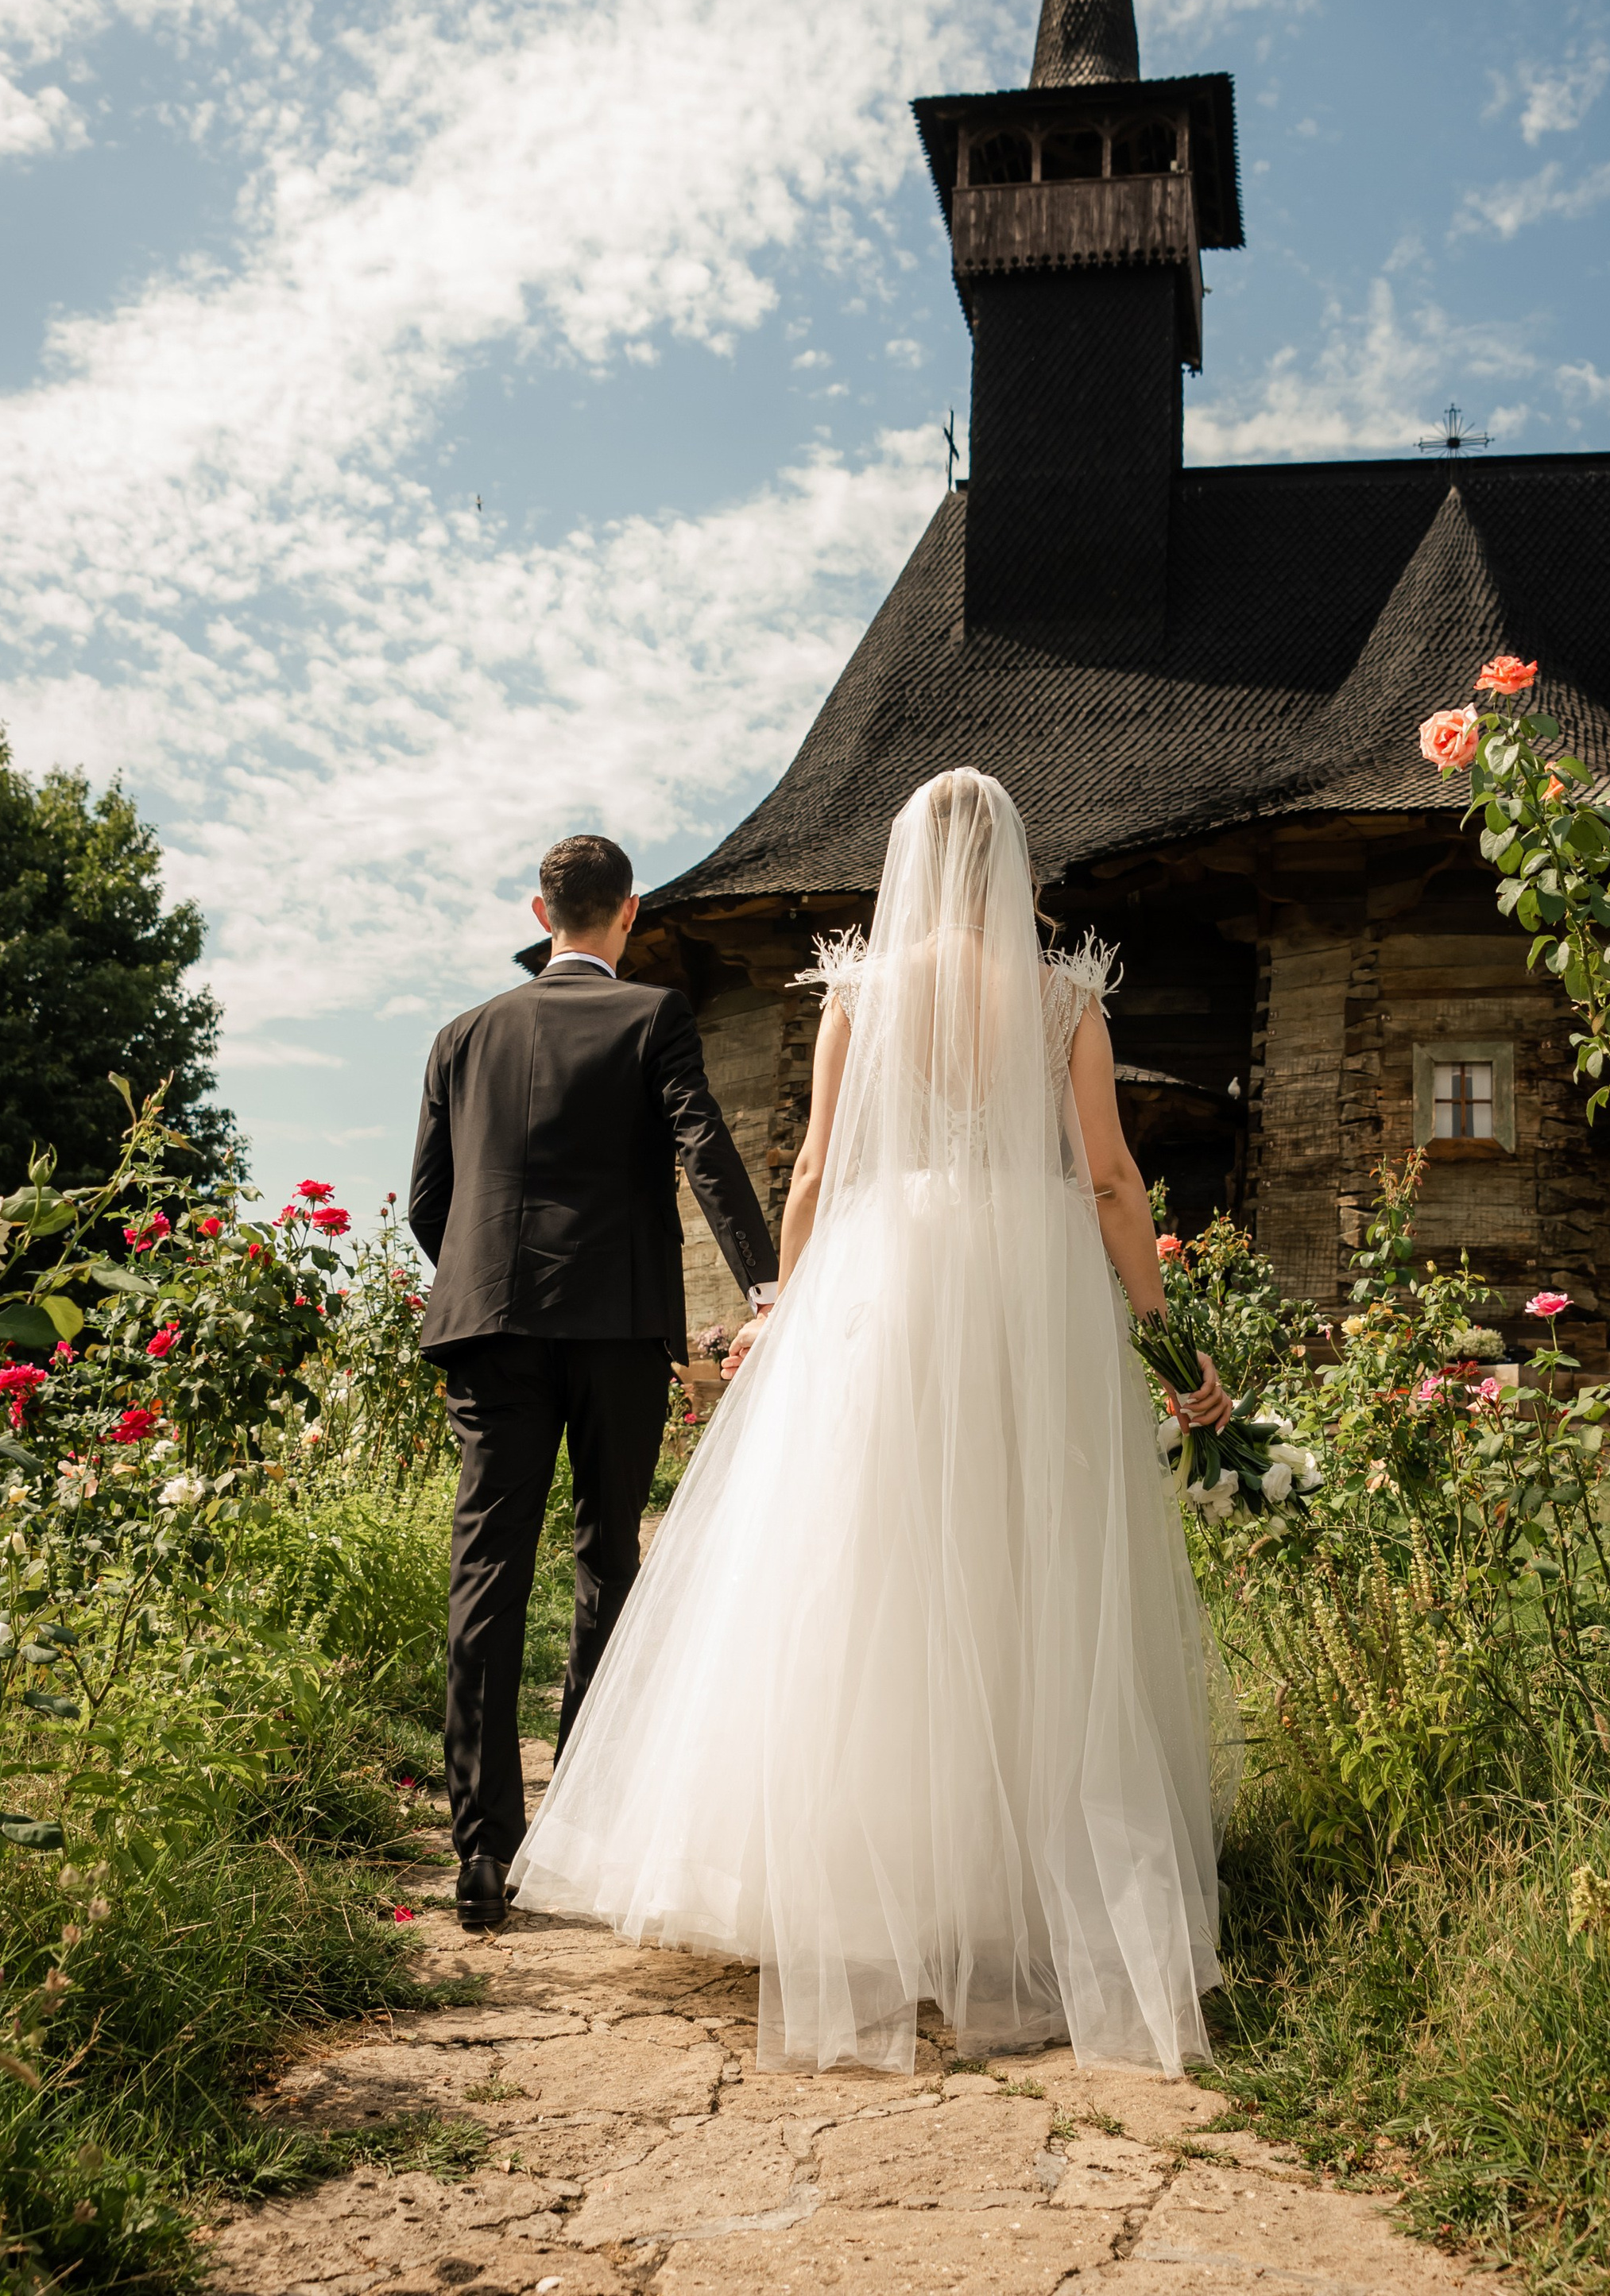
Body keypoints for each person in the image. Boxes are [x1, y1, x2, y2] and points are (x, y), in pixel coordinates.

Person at [509, 771, 1238, 2076]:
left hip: (886, 1276)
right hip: (1027, 1287)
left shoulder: (861, 992)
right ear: (1010, 860)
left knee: (868, 1558)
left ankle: (866, 1884)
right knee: (1029, 1563)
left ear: (908, 859)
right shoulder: (1065, 995)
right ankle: (1008, 1891)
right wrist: (1166, 1339)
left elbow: (817, 1169)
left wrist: (781, 1303)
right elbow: (1116, 1180)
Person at [409, 831, 778, 1934]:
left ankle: (481, 1854)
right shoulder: (652, 1015)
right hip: (617, 1328)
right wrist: (767, 1286)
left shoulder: (461, 1034)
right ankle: (578, 1825)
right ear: (628, 918)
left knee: (488, 1570)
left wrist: (489, 1283)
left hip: (493, 1322)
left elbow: (431, 1199)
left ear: (540, 912)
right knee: (606, 1559)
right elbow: (702, 1143)